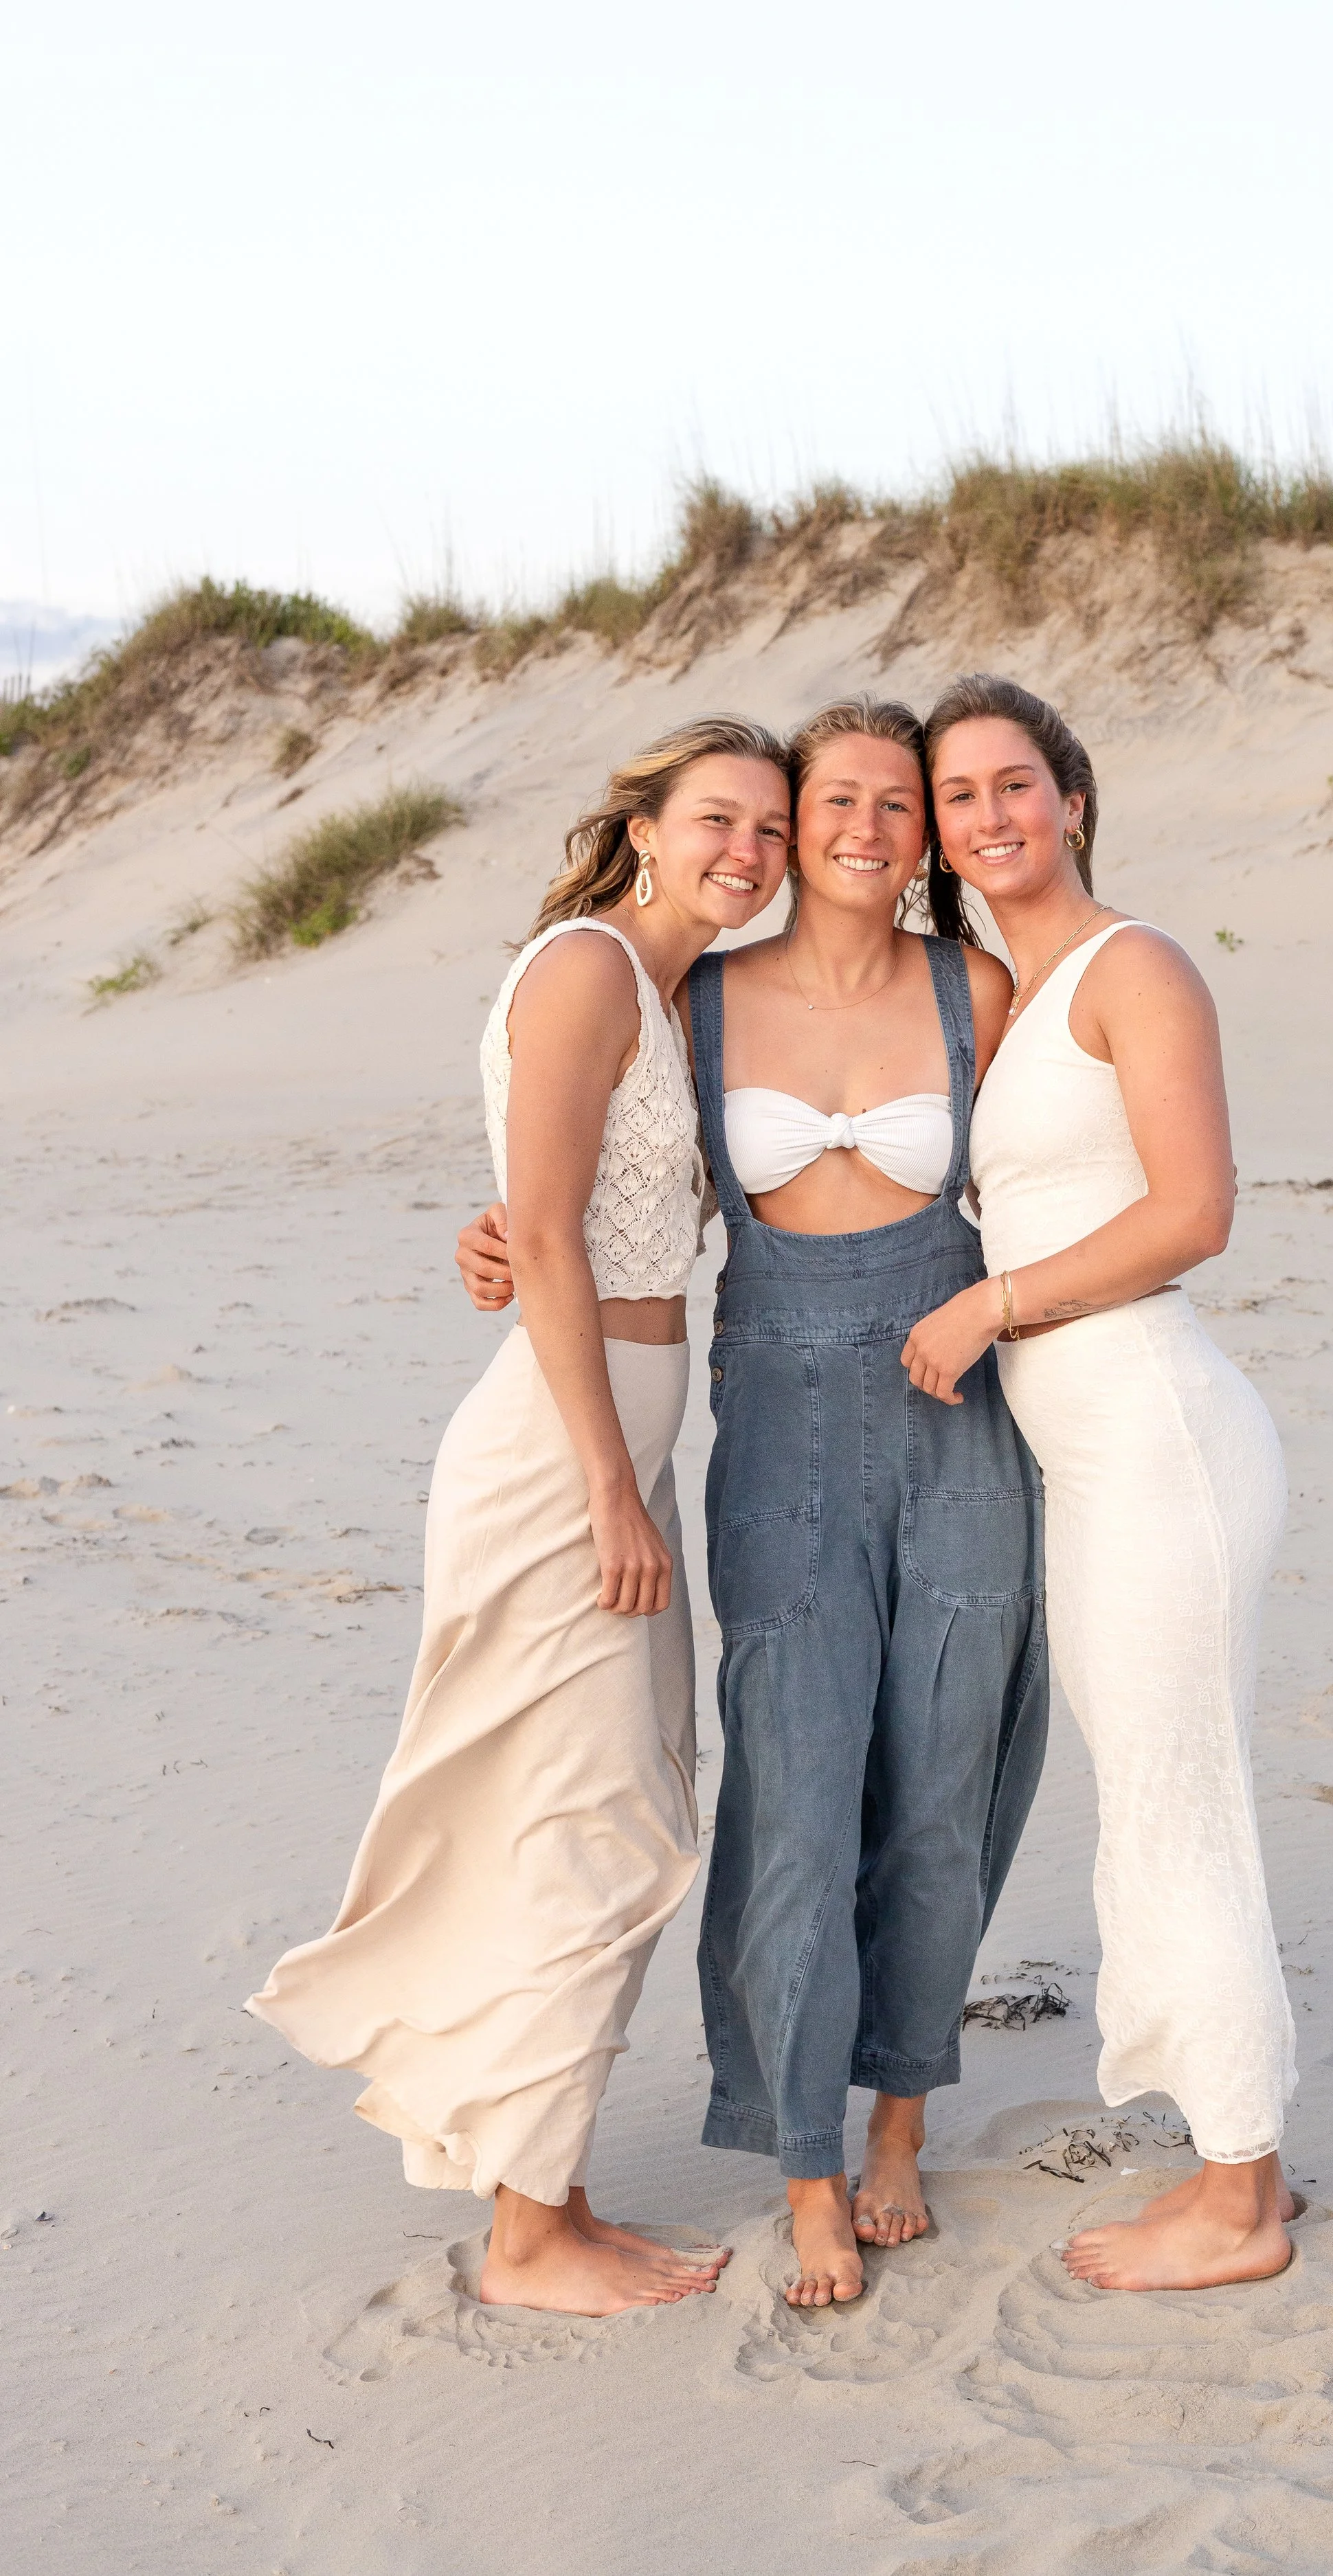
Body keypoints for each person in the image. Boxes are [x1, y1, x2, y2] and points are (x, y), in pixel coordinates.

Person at [458, 698, 1049, 2309]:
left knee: (943, 1782)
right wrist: (503, 1234)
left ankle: (899, 2130)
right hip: (778, 1419)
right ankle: (801, 2164)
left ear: (922, 839)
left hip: (961, 1410)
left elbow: (1066, 1176)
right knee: (791, 1798)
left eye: (888, 806)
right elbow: (607, 1175)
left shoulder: (974, 989)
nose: (858, 830)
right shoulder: (696, 998)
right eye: (829, 801)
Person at [249, 717, 791, 2316]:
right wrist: (612, 1489)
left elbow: (534, 1217)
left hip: (616, 1421)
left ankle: (540, 2189)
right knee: (587, 1814)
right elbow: (548, 1241)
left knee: (592, 1806)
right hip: (568, 1451)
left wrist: (499, 1244)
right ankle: (530, 2231)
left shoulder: (677, 995)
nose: (746, 852)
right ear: (643, 821)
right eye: (717, 819)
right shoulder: (581, 969)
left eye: (767, 828)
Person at [901, 672, 1298, 2293]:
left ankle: (1240, 2200)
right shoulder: (1005, 991)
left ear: (1070, 796)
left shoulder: (1133, 968)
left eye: (1013, 784)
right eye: (955, 798)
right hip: (1089, 1448)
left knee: (1172, 1802)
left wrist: (992, 1302)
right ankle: (1231, 2156)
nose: (987, 817)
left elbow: (1192, 1211)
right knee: (1151, 1797)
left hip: (1157, 1431)